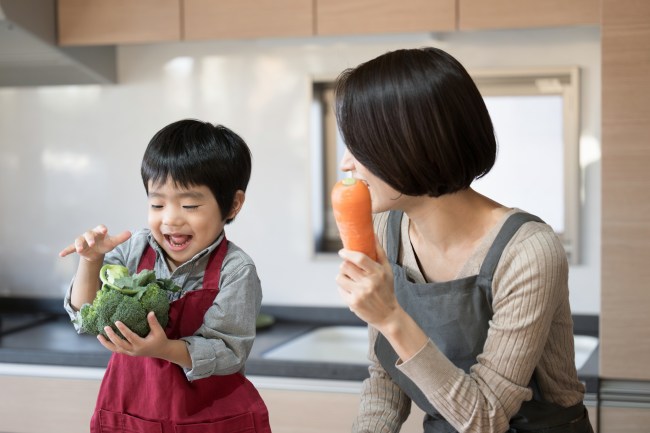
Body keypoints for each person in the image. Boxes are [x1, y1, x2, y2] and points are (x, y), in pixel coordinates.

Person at [333, 48, 593, 433]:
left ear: (411, 144)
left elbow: (487, 419)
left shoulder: (529, 251)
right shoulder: (386, 230)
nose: (345, 163)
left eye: (359, 145)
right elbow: (386, 375)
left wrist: (389, 315)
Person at [60, 119, 272, 433]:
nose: (171, 218)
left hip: (212, 419)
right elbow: (85, 316)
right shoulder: (133, 251)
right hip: (132, 417)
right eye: (157, 203)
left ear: (233, 205)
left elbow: (229, 352)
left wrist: (164, 350)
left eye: (189, 204)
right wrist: (91, 262)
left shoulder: (236, 270)